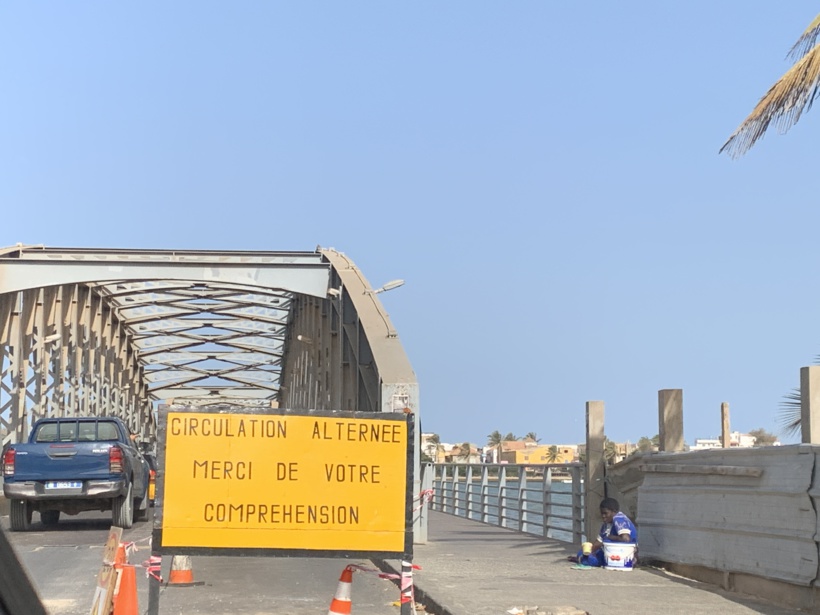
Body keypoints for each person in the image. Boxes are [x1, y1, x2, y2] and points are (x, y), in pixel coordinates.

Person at [569, 497, 637, 567]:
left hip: (622, 553)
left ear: (614, 511)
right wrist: (586, 552)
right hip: (609, 552)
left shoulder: (619, 519)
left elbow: (626, 539)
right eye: (602, 514)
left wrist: (610, 537)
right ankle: (583, 559)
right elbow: (597, 544)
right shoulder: (606, 524)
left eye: (605, 513)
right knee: (582, 552)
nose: (603, 516)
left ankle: (584, 560)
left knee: (591, 560)